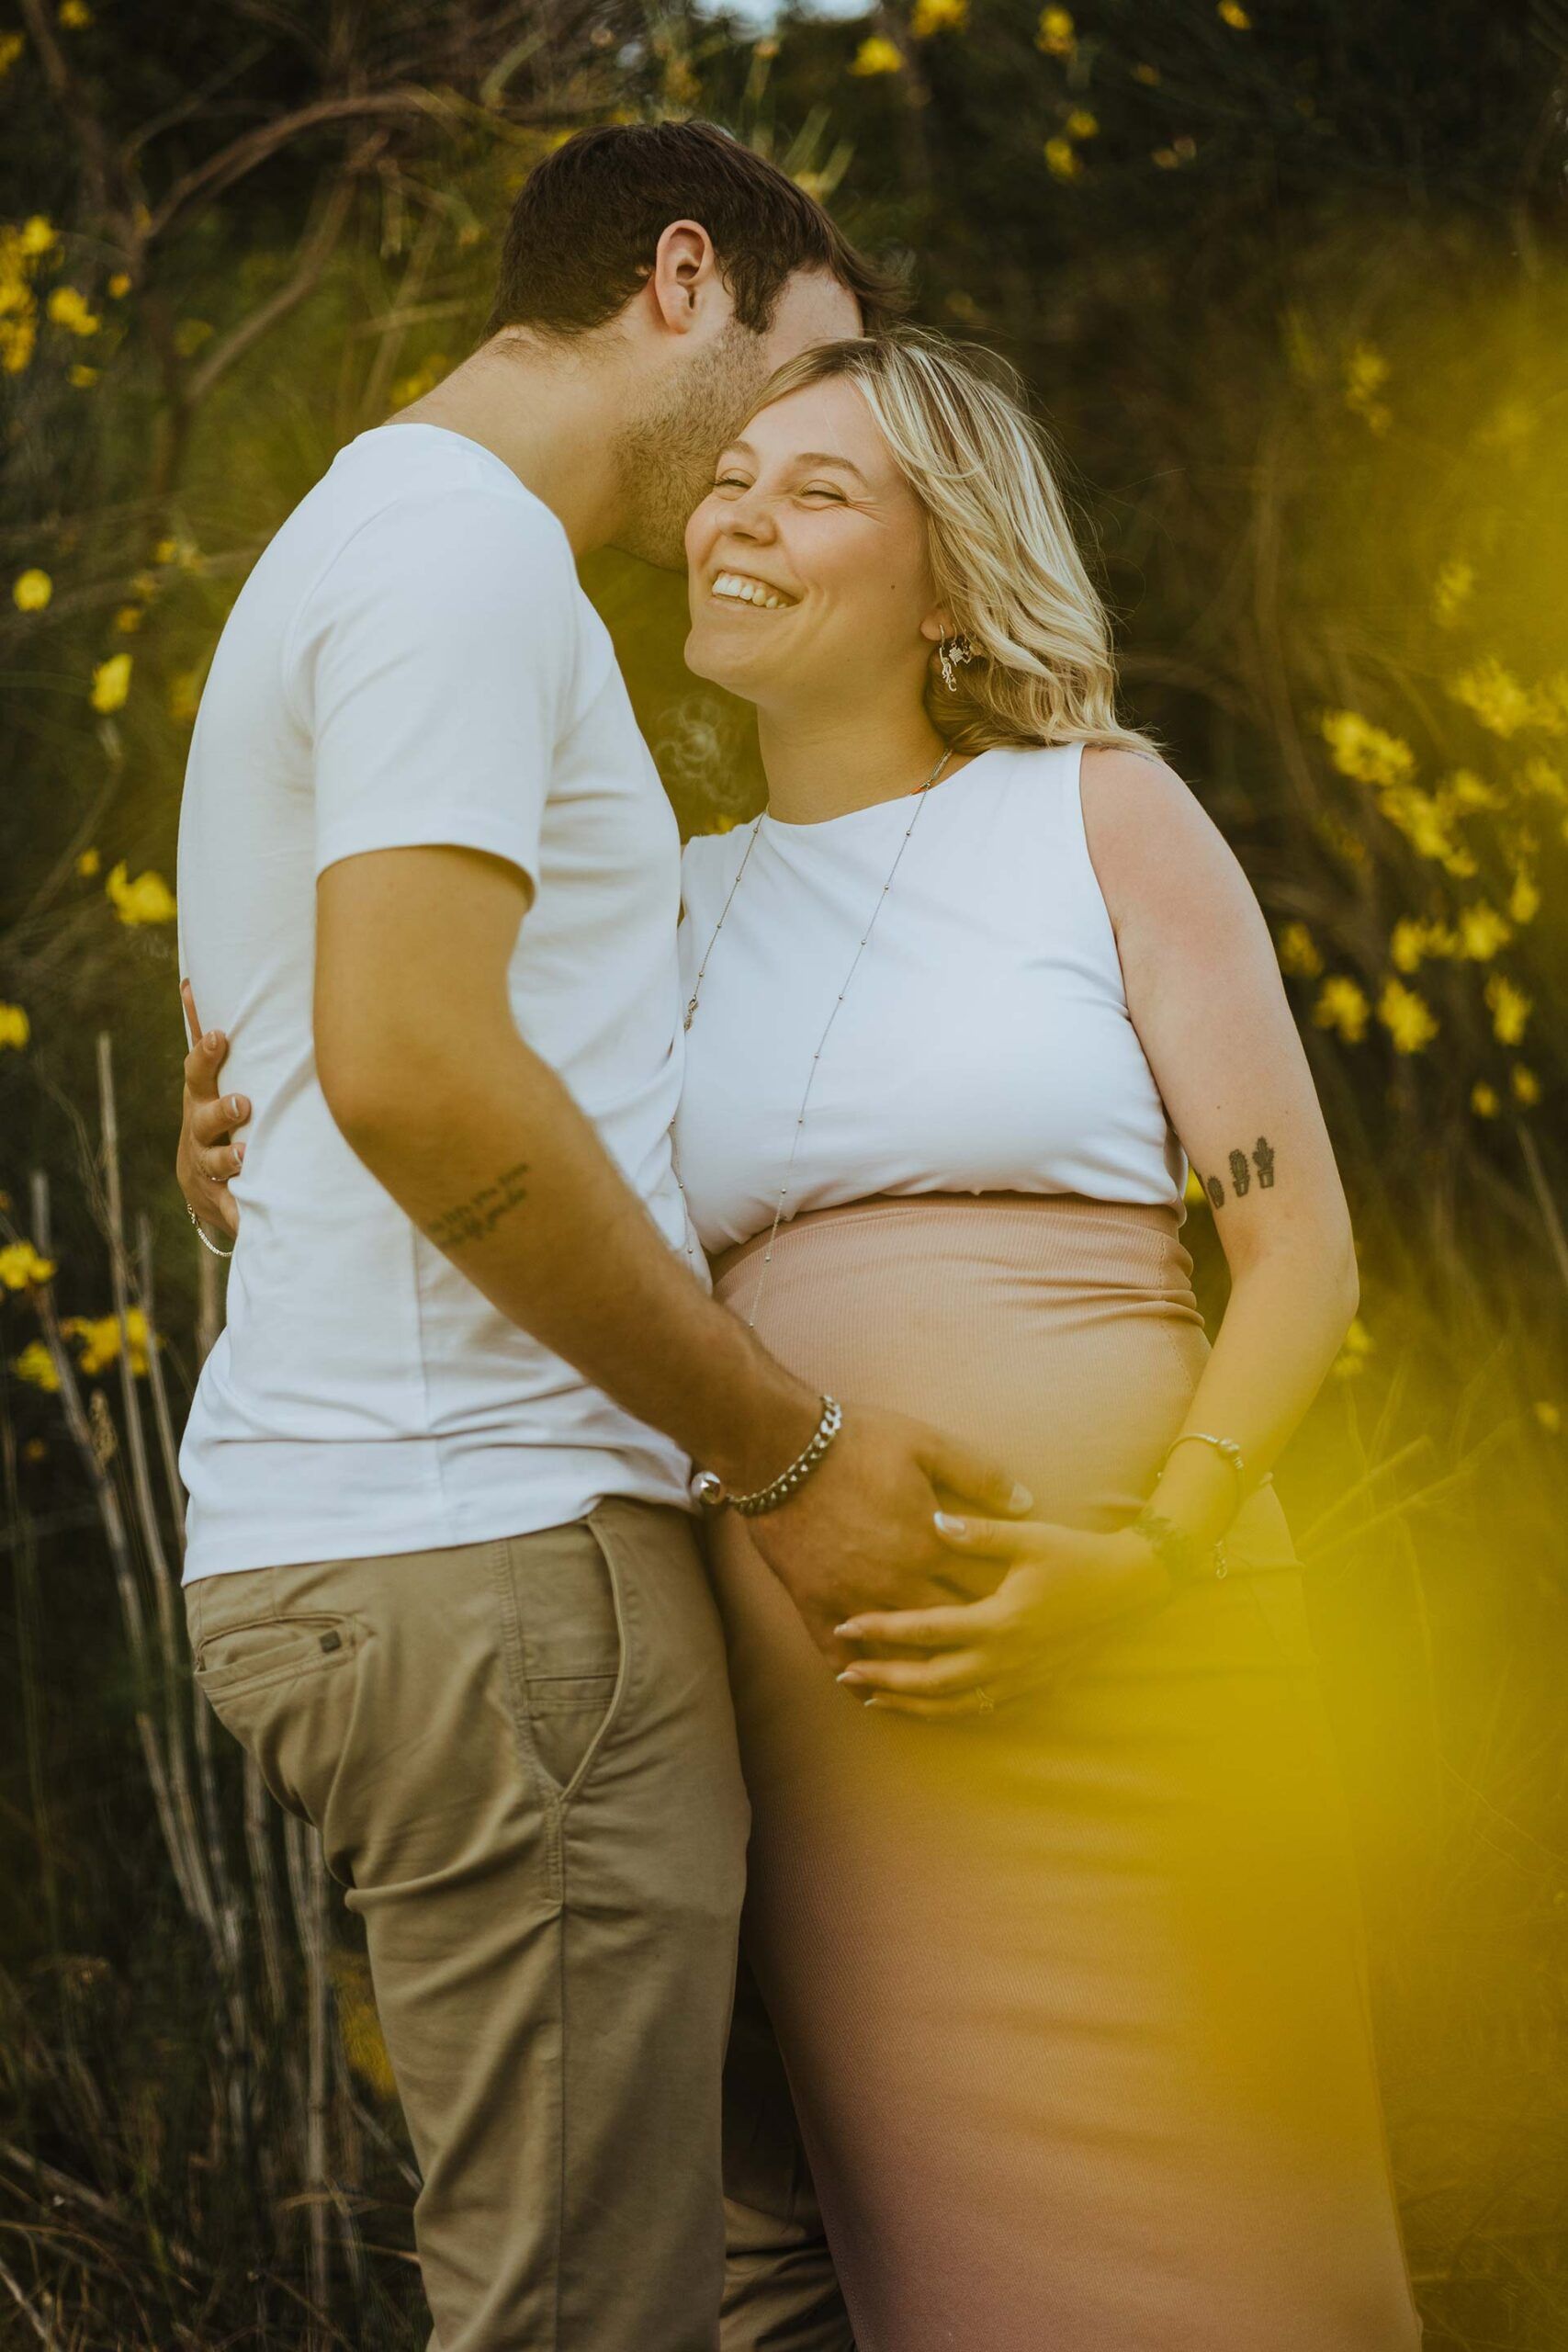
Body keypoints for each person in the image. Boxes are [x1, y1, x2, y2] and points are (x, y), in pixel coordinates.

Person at [179, 326, 1427, 2341]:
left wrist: (1156, 1550)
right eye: (729, 476)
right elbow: (446, 1097)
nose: (736, 512)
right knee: (939, 2255)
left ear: (946, 578)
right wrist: (235, 1131)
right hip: (844, 1723)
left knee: (1250, 2233)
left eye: (815, 486)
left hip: (1156, 1649)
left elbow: (1298, 1254)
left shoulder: (1102, 813)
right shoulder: (659, 907)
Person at [172, 126, 1031, 2352]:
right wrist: (780, 1445)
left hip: (439, 1554)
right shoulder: (458, 559)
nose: (794, 451)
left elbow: (334, 1062)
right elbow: (412, 1065)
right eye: (804, 370)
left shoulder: (368, 543)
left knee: (709, 2272)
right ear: (683, 280)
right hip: (497, 1565)